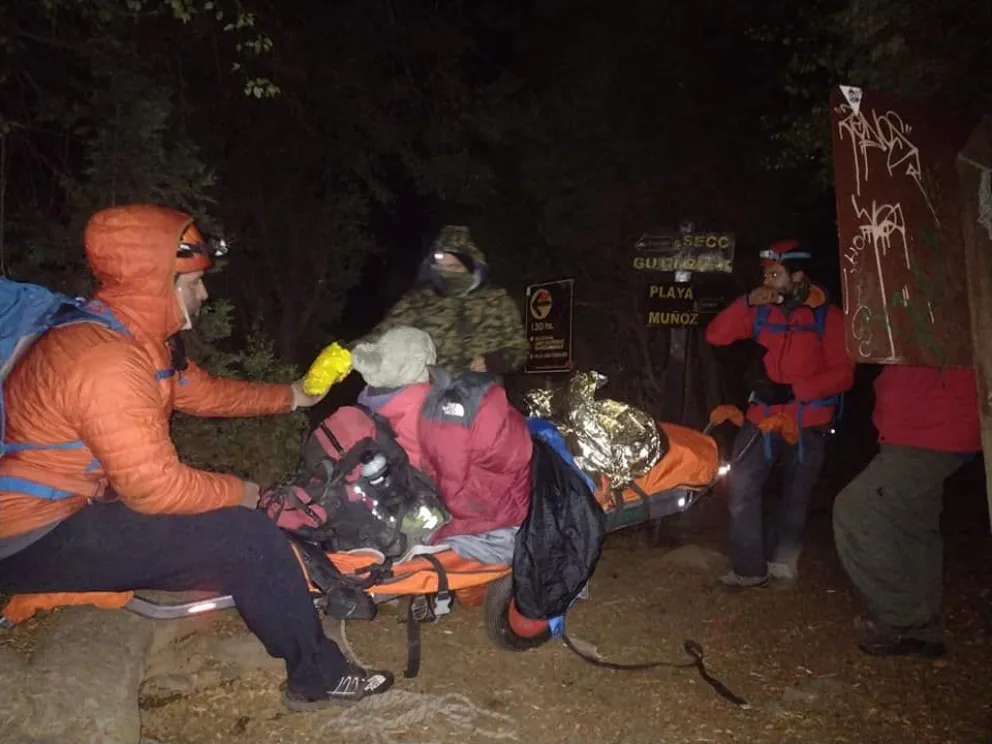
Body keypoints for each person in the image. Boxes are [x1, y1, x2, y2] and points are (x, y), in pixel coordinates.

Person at [0, 204, 394, 711]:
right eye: (193, 282)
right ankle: (317, 678)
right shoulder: (106, 361)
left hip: (63, 509)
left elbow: (204, 392)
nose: (203, 293)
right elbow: (155, 490)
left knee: (231, 521)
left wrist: (293, 395)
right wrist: (243, 493)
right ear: (157, 281)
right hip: (32, 534)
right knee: (245, 537)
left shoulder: (126, 336)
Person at [705, 239, 855, 589]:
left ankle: (782, 560)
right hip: (761, 416)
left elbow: (844, 374)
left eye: (776, 274)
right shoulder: (761, 310)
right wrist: (745, 302)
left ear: (798, 275)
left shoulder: (829, 318)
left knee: (796, 495)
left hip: (809, 421)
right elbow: (716, 335)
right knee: (741, 486)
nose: (769, 280)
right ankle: (747, 569)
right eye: (766, 274)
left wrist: (797, 390)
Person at [349, 326, 532, 566]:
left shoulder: (366, 406)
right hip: (463, 513)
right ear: (418, 363)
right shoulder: (431, 403)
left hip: (396, 505)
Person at [833, 365, 981, 658]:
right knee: (913, 526)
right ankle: (923, 631)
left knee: (856, 510)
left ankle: (898, 618)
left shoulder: (938, 320)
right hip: (925, 429)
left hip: (932, 428)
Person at [361, 225, 530, 376]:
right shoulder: (418, 302)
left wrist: (496, 360)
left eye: (454, 267)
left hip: (483, 397)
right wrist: (345, 355)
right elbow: (382, 335)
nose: (447, 273)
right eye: (442, 267)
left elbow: (519, 347)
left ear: (471, 266)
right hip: (431, 395)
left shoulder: (496, 301)